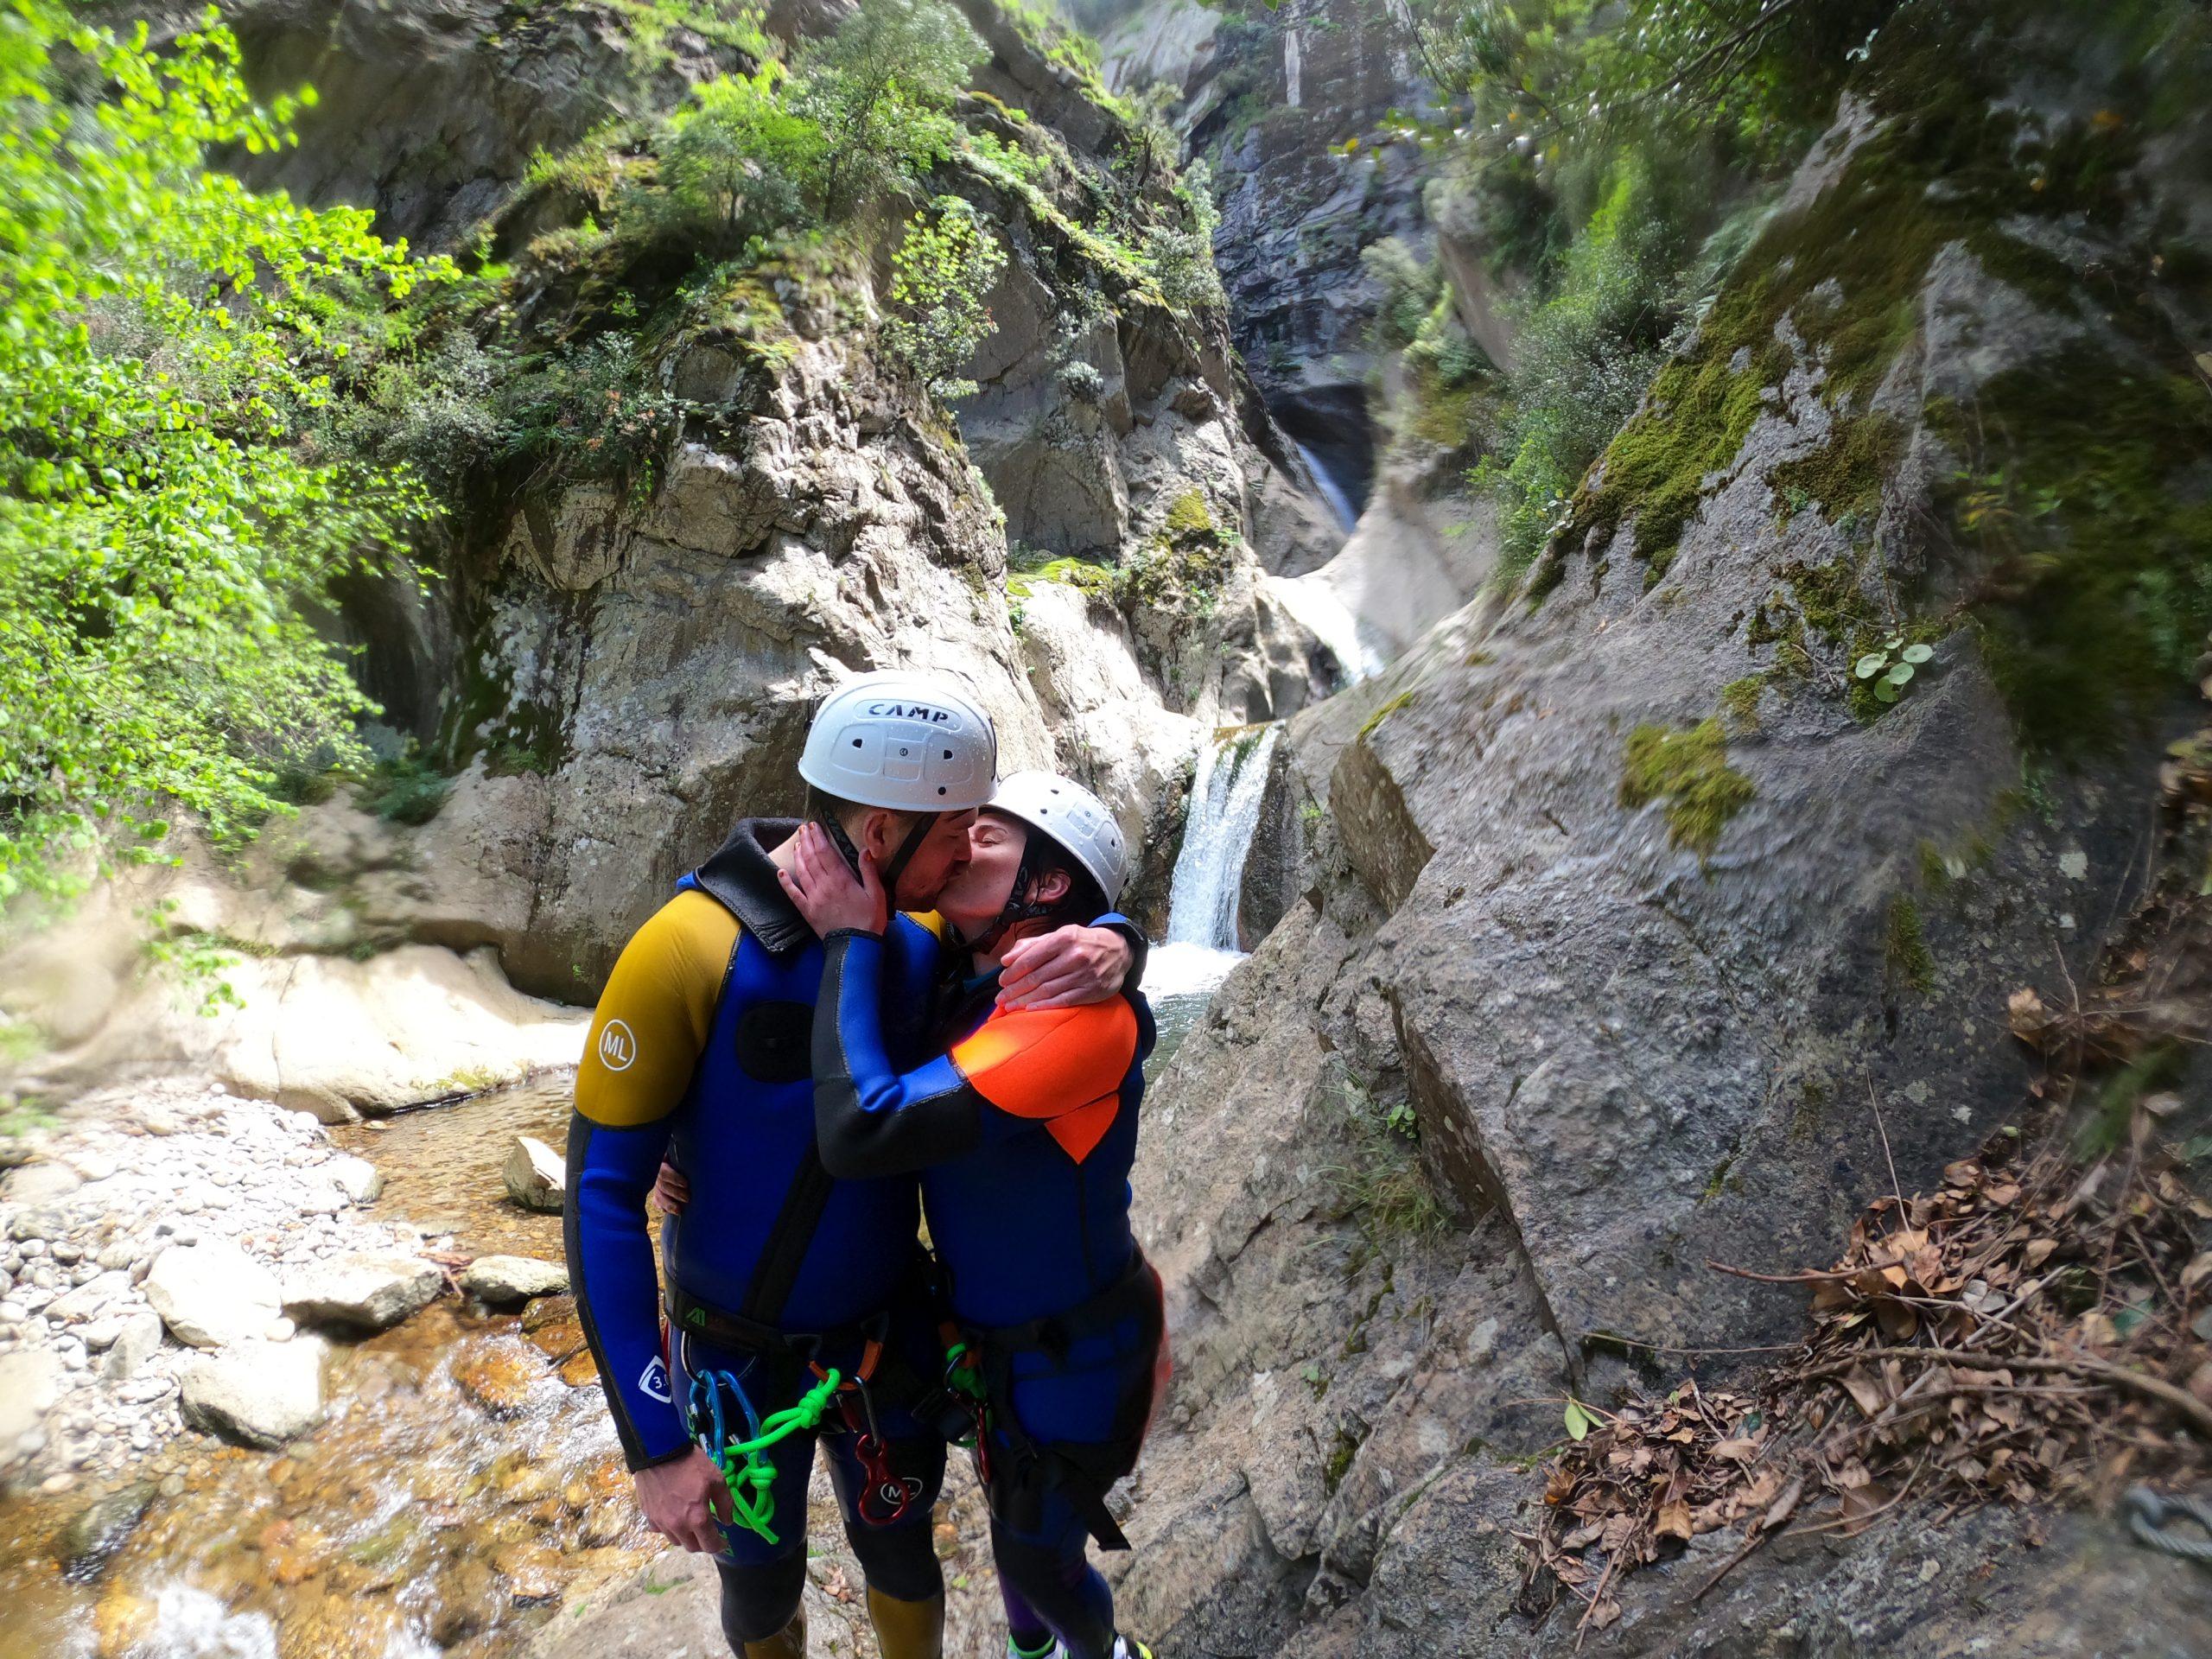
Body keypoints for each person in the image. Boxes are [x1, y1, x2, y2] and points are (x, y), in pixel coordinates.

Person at [564, 675, 1141, 1659]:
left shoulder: (919, 944)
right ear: (881, 833)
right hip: (734, 1350)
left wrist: (1119, 944)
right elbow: (598, 1198)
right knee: (759, 1584)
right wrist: (654, 1450)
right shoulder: (684, 948)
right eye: (957, 828)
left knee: (903, 1555)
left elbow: (1051, 976)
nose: (967, 852)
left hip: (889, 1341)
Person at [780, 770, 1166, 1659]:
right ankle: (1033, 1653)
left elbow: (864, 1127)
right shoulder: (964, 974)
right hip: (1007, 1344)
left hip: (1074, 1353)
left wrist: (848, 939)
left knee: (1038, 1555)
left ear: (1048, 883)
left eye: (984, 839)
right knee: (1013, 1521)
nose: (956, 847)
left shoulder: (1077, 1021)